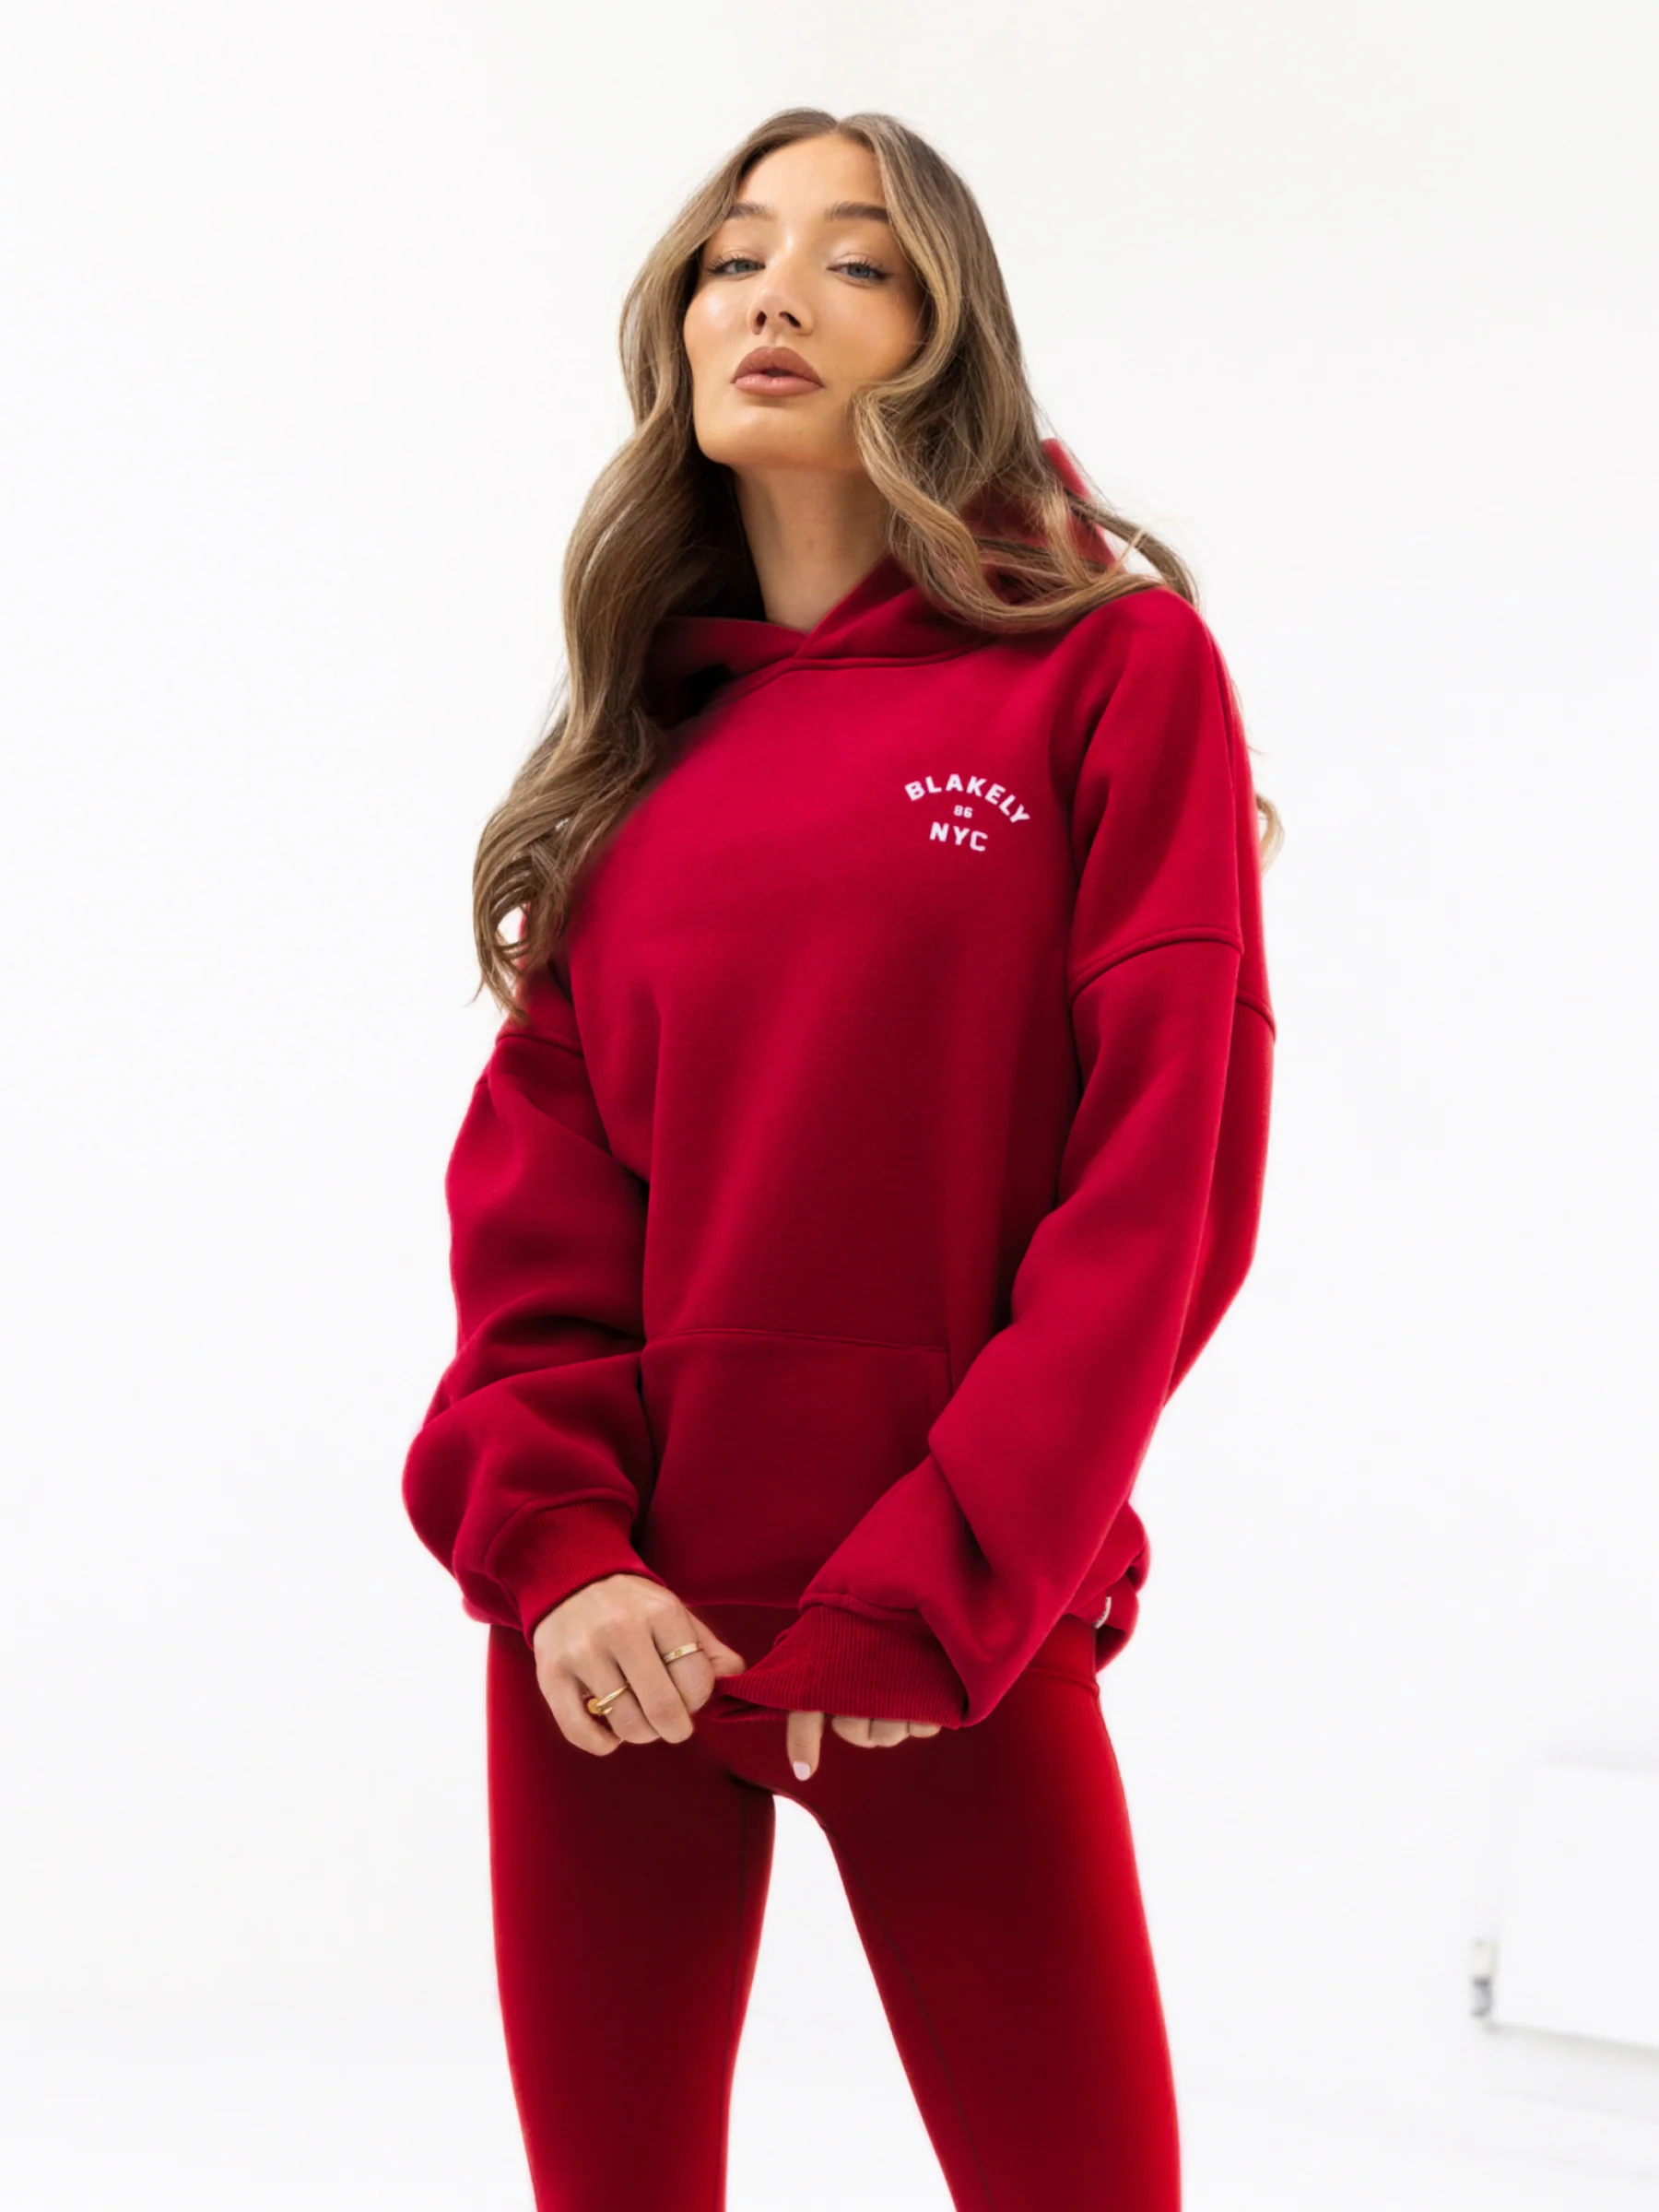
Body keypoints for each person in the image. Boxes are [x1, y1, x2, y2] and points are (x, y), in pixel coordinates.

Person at [402, 104, 1279, 2212]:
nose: (775, 292)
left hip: (941, 1636)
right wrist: (561, 1558)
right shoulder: (639, 761)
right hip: (617, 1648)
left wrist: (952, 1573)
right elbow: (536, 1239)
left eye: (855, 259)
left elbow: (1163, 1180)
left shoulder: (1109, 673)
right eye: (734, 258)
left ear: (943, 335)